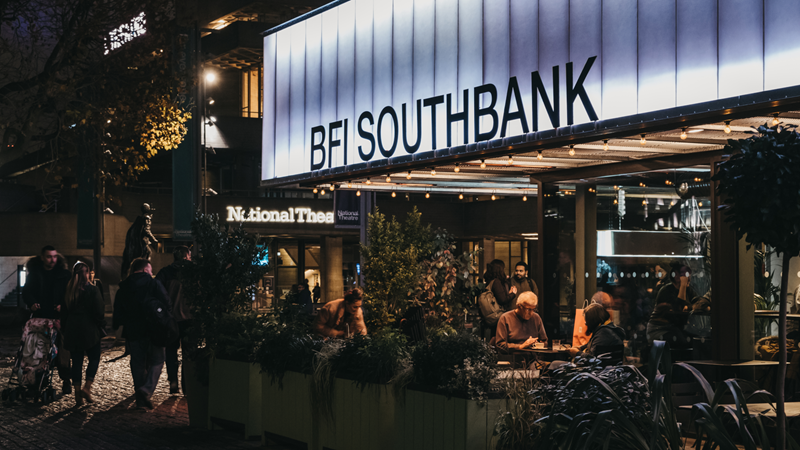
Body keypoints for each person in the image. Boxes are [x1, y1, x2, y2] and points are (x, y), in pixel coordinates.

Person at [113, 258, 171, 409]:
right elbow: (166, 302)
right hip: (154, 329)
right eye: (151, 270)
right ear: (146, 270)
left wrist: (117, 325)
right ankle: (146, 390)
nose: (152, 273)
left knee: (137, 363)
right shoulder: (153, 283)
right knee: (158, 360)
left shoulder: (124, 287)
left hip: (133, 331)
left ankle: (140, 398)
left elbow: (118, 311)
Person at [23, 245, 72, 393]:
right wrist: (31, 303)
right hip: (40, 318)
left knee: (63, 350)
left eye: (55, 256)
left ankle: (66, 379)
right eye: (49, 257)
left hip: (59, 318)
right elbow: (27, 291)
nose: (52, 260)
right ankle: (39, 378)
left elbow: (70, 294)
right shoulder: (35, 274)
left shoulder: (64, 274)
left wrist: (63, 306)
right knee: (39, 349)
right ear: (43, 257)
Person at [62, 262, 105, 407]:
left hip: (72, 328)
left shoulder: (68, 290)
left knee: (76, 362)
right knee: (94, 357)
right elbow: (99, 311)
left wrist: (64, 329)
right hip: (89, 328)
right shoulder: (92, 290)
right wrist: (101, 325)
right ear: (87, 273)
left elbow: (64, 312)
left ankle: (77, 393)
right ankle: (87, 387)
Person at [155, 245, 192, 395]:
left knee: (171, 352)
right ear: (186, 256)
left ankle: (173, 382)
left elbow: (156, 292)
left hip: (171, 320)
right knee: (189, 353)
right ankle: (187, 384)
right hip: (190, 319)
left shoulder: (164, 272)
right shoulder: (193, 272)